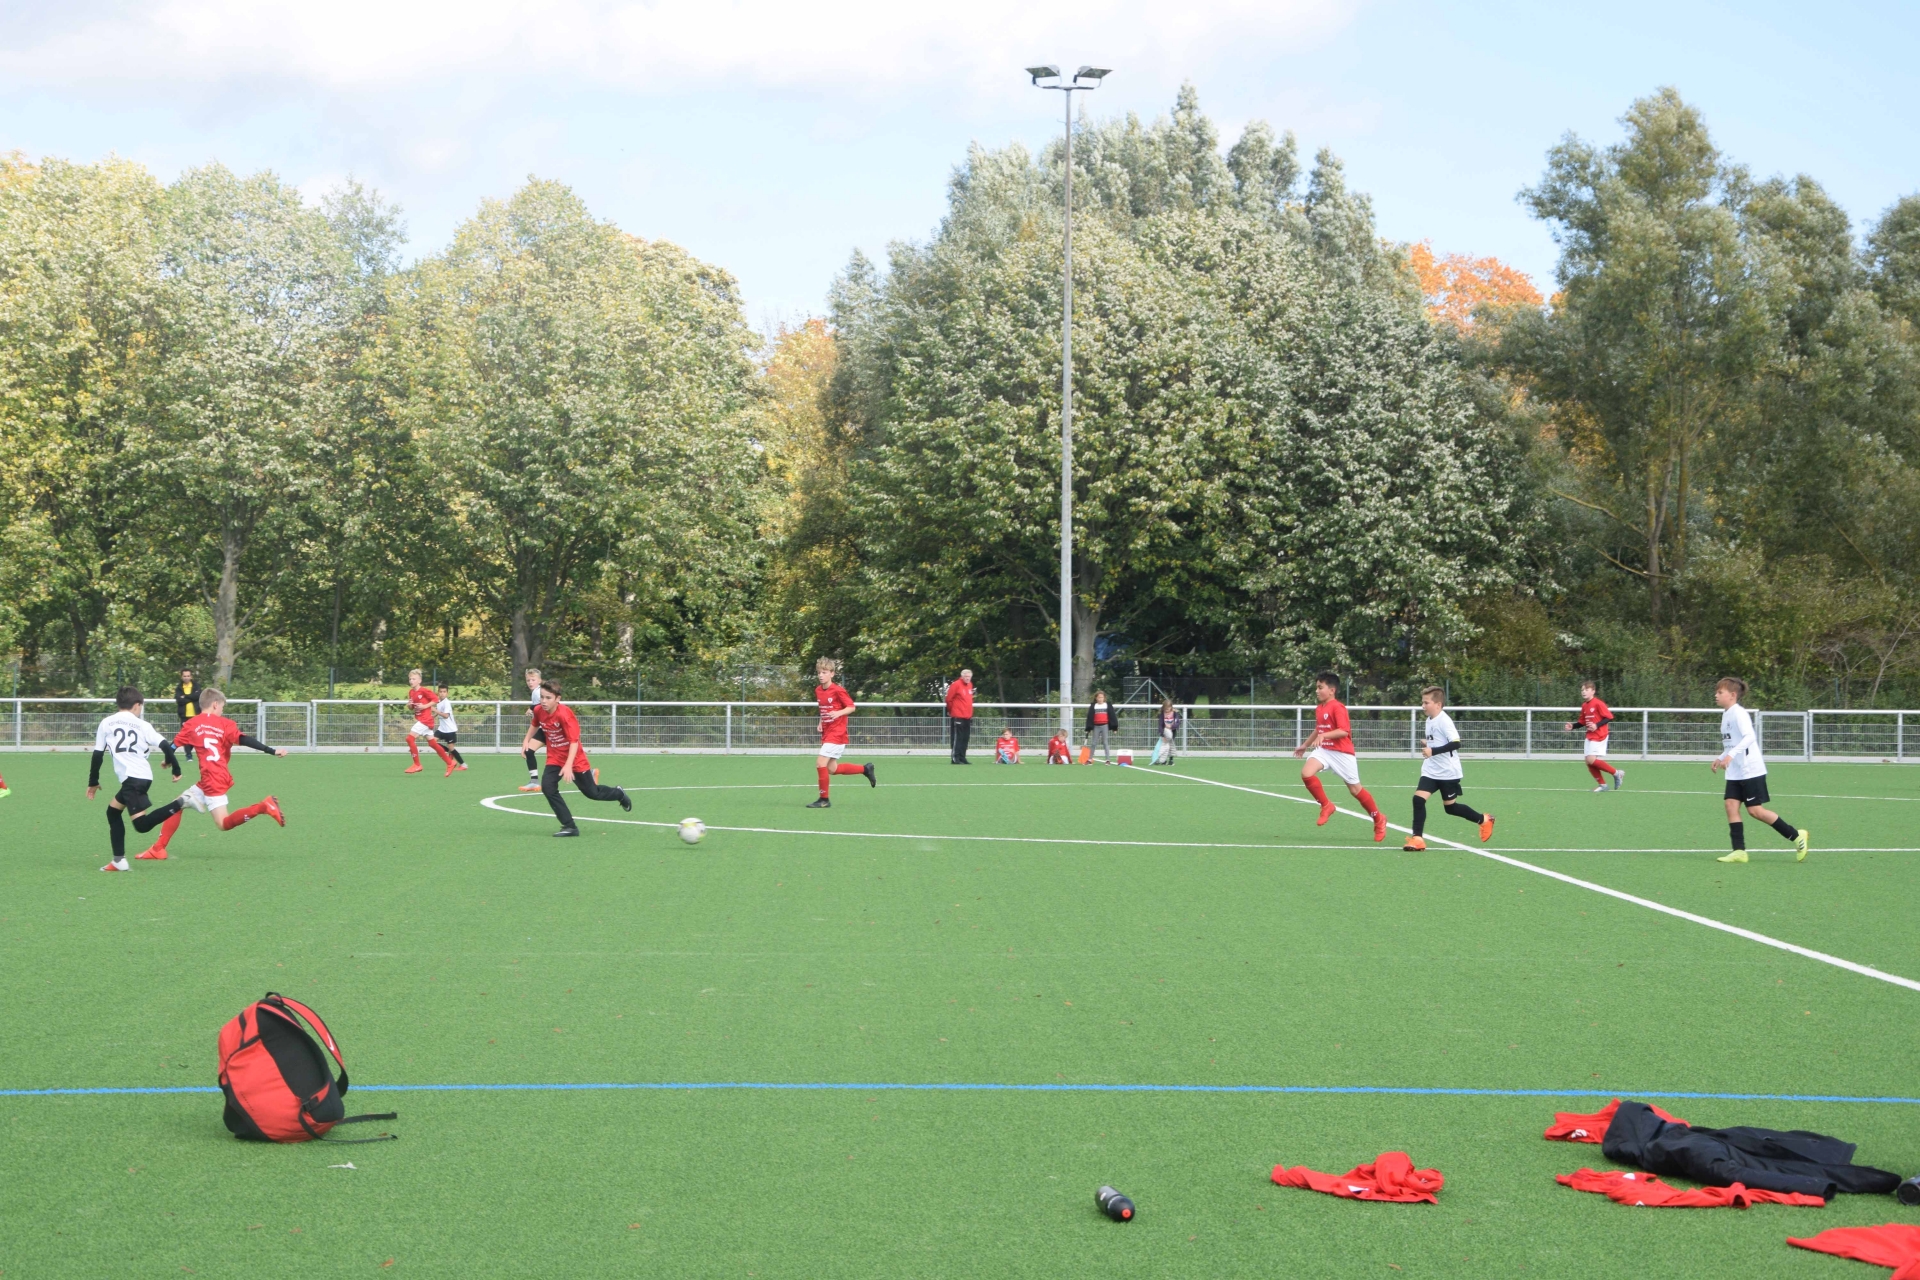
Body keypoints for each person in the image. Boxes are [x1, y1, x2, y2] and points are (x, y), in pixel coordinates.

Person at [138, 688, 286, 859]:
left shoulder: (192, 724)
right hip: (214, 777)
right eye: (222, 707)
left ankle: (263, 807)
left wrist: (168, 760)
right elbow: (244, 739)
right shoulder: (225, 724)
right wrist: (271, 750)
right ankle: (158, 849)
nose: (222, 710)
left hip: (212, 779)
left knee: (223, 823)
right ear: (215, 704)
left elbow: (172, 746)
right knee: (176, 805)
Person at [1711, 677, 1809, 864]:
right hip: (1735, 771)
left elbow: (1749, 737)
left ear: (1732, 695)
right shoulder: (1726, 715)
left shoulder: (1739, 713)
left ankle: (1797, 836)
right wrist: (1721, 757)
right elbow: (1732, 743)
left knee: (1755, 811)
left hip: (1750, 770)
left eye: (1720, 692)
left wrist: (1730, 756)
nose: (1716, 695)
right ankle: (1739, 851)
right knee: (1730, 805)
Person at [87, 686, 185, 871]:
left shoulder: (106, 723)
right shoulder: (142, 725)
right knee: (112, 812)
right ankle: (119, 861)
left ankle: (182, 802)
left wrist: (93, 781)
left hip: (133, 779)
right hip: (139, 777)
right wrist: (176, 768)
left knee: (141, 825)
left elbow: (97, 754)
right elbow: (165, 745)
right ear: (137, 705)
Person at [522, 679, 631, 837]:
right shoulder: (539, 710)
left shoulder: (565, 715)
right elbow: (535, 724)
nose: (544, 701)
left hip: (575, 759)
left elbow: (574, 742)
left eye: (548, 698)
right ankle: (569, 826)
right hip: (555, 758)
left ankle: (619, 794)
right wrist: (526, 741)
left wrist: (568, 765)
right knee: (548, 787)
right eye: (542, 697)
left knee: (592, 793)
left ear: (558, 699)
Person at [1292, 671, 1387, 842]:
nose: (1317, 691)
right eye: (1316, 687)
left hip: (1342, 753)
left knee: (1355, 790)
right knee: (1306, 773)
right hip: (1325, 751)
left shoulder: (1338, 707)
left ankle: (1378, 819)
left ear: (1332, 690)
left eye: (1320, 687)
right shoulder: (1319, 708)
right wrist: (1305, 745)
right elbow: (1318, 729)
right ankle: (1326, 806)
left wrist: (1324, 736)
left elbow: (1344, 731)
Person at [1401, 686, 1493, 850]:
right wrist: (1429, 743)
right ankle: (1417, 839)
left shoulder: (1444, 721)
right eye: (1422, 702)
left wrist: (1432, 750)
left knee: (1451, 808)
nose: (1423, 706)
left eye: (1426, 703)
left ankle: (1484, 820)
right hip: (1431, 770)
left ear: (1438, 704)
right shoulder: (1429, 720)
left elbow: (1456, 743)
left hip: (1448, 772)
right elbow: (1439, 740)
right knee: (1418, 800)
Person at [808, 657, 874, 809]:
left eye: (824, 672)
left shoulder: (838, 690)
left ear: (832, 673)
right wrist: (821, 722)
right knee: (832, 769)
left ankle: (824, 799)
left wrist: (838, 713)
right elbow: (823, 709)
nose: (821, 675)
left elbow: (851, 707)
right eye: (819, 672)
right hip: (827, 733)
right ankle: (865, 769)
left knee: (820, 763)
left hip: (837, 733)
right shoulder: (818, 690)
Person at [1566, 679, 1624, 792]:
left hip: (1599, 734)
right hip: (1590, 735)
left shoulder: (1598, 703)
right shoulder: (1584, 705)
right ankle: (1603, 785)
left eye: (1586, 689)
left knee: (1591, 759)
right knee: (1588, 761)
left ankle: (1617, 773)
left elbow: (1609, 717)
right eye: (1582, 690)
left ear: (1593, 691)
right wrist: (1572, 726)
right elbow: (1582, 722)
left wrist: (1597, 725)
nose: (1584, 692)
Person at [402, 668, 456, 774]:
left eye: (414, 679)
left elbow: (436, 699)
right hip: (424, 720)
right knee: (432, 743)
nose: (411, 681)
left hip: (425, 720)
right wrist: (409, 705)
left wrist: (425, 706)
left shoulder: (424, 691)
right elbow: (412, 707)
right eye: (410, 679)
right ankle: (450, 763)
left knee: (409, 738)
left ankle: (417, 764)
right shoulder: (411, 692)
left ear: (419, 680)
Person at [517, 667, 544, 792]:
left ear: (539, 681)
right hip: (544, 729)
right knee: (529, 751)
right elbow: (537, 707)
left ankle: (588, 773)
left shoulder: (538, 692)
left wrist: (532, 709)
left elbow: (540, 706)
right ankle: (534, 782)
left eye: (533, 680)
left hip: (551, 729)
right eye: (528, 680)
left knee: (563, 756)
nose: (530, 682)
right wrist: (531, 709)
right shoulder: (536, 692)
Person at [433, 682, 467, 775]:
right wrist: (433, 716)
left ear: (447, 693)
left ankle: (463, 765)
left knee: (451, 748)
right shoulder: (439, 702)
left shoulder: (447, 703)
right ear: (438, 693)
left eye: (444, 692)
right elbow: (439, 711)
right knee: (432, 742)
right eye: (440, 692)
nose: (442, 693)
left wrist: (435, 711)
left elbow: (446, 716)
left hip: (450, 730)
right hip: (442, 729)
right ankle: (449, 752)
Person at [945, 669, 975, 764]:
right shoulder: (956, 685)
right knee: (957, 737)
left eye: (969, 677)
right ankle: (955, 758)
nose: (967, 678)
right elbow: (949, 699)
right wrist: (951, 711)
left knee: (965, 737)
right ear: (962, 677)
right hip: (958, 715)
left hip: (967, 716)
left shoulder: (970, 685)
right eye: (966, 676)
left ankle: (962, 757)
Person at [173, 668, 201, 759]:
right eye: (184, 676)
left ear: (191, 676)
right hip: (184, 717)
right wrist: (191, 698)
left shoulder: (196, 686)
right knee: (185, 736)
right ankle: (188, 755)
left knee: (196, 735)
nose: (186, 678)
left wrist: (185, 696)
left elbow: (198, 696)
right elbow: (179, 700)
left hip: (196, 716)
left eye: (188, 676)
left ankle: (195, 752)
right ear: (182, 677)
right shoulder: (179, 688)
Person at [1084, 691, 1117, 763]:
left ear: (1104, 698)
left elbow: (1112, 716)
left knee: (1105, 742)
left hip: (1105, 725)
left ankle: (1107, 759)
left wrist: (1114, 728)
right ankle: (1090, 759)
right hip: (1096, 726)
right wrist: (1088, 728)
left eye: (1102, 697)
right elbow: (1090, 717)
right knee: (1094, 743)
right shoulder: (1093, 706)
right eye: (1099, 697)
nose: (1100, 699)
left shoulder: (1107, 705)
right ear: (1096, 698)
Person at [1153, 698, 1181, 765]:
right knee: (1164, 745)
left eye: (1168, 709)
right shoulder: (1162, 714)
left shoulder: (1175, 713)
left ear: (1171, 707)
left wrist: (1171, 727)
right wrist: (1162, 734)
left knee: (1171, 745)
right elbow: (1160, 724)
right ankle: (1162, 760)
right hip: (1165, 731)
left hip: (1173, 731)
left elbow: (1177, 723)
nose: (1166, 710)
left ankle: (1171, 760)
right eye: (1165, 709)